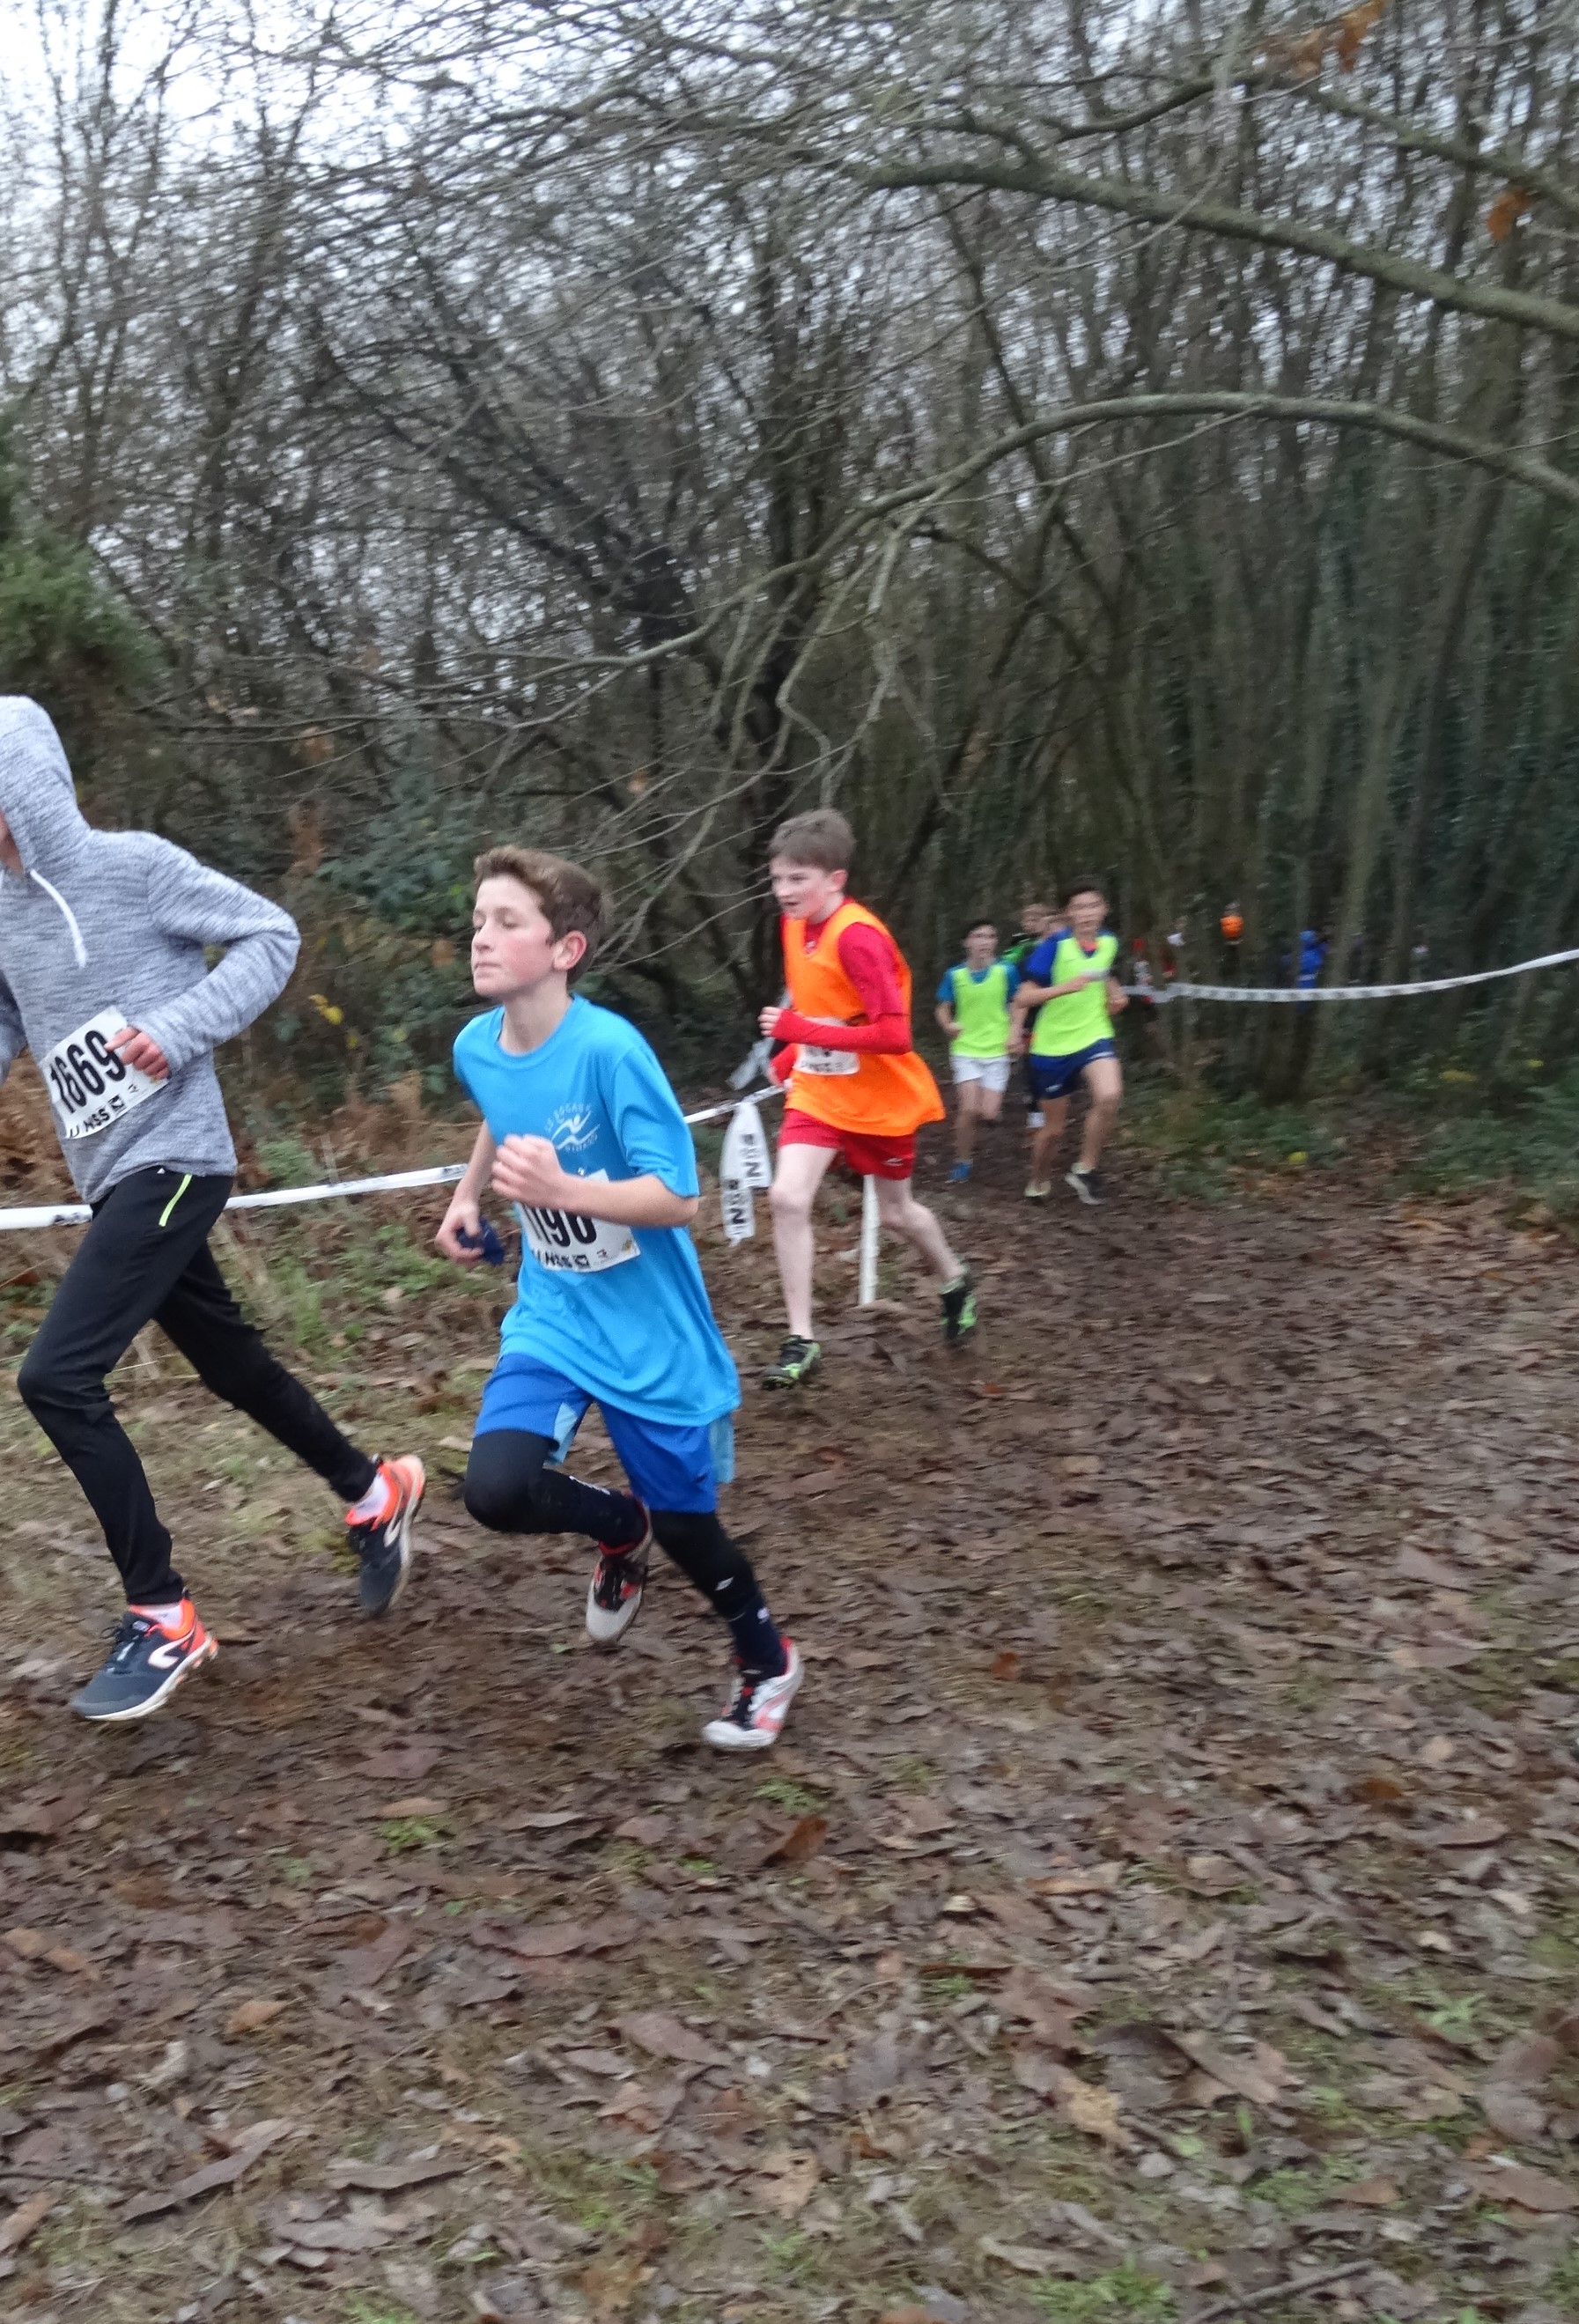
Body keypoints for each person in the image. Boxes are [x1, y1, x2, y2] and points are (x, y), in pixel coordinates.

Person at [0, 697, 424, 1723]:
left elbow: (270, 934)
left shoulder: (136, 865)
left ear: (23, 787)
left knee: (56, 1376)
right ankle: (375, 1490)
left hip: (178, 1158)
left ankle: (163, 1613)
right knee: (231, 1363)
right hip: (110, 1173)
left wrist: (179, 1027)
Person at [437, 845, 801, 1751]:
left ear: (565, 949)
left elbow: (678, 1197)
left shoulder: (610, 1051)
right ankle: (616, 1524)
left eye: (506, 922)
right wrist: (467, 1194)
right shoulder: (476, 1045)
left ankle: (766, 1659)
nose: (480, 937)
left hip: (648, 1331)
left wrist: (562, 1189)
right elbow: (500, 1109)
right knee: (496, 1489)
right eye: (478, 920)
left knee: (688, 1527)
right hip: (555, 1312)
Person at [757, 808, 974, 1388]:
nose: (784, 891)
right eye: (777, 878)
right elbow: (824, 1008)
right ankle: (801, 1338)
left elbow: (894, 1035)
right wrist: (791, 1055)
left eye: (797, 878)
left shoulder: (857, 937)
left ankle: (954, 1279)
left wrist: (800, 1032)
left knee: (898, 1213)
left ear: (835, 879)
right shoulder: (793, 925)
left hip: (879, 1098)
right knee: (787, 1197)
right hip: (820, 1092)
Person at [1010, 875, 1128, 1206]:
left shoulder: (1109, 942)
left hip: (1094, 1034)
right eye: (1079, 907)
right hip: (1052, 1046)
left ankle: (1084, 1169)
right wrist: (1065, 988)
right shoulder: (1054, 946)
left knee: (1110, 1094)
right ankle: (1038, 1181)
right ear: (1069, 914)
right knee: (1054, 1130)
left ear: (1104, 909)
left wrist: (1115, 994)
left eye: (1093, 906)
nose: (1087, 913)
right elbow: (1023, 998)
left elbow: (1103, 972)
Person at [934, 919, 1020, 1181]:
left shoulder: (1006, 971)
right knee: (969, 1109)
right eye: (979, 936)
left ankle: (989, 1113)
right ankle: (962, 1161)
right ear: (967, 942)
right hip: (966, 1049)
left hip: (997, 1050)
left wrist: (1015, 1033)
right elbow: (942, 1007)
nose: (985, 942)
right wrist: (948, 1025)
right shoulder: (955, 975)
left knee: (988, 1113)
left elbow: (1017, 1003)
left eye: (990, 936)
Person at [1003, 902, 1060, 1128]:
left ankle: (1051, 1102)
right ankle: (1035, 1106)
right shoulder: (1025, 950)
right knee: (1032, 1060)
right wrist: (1014, 1024)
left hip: (1060, 1015)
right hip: (1031, 1014)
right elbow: (1017, 989)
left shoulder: (1070, 951)